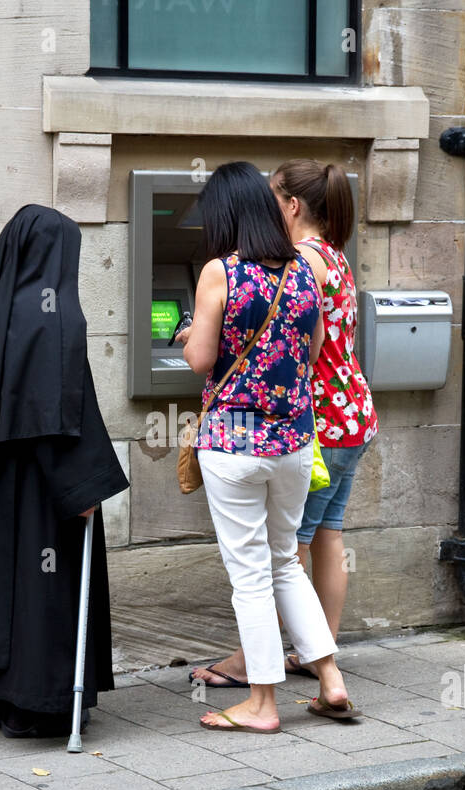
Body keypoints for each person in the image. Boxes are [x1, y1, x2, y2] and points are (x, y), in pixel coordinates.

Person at [0, 205, 129, 738]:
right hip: (39, 484)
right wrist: (84, 486)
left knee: (0, 586)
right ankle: (38, 704)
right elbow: (58, 418)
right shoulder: (53, 318)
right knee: (40, 589)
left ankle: (3, 696)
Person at [175, 162, 358, 731]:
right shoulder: (305, 273)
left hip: (234, 443)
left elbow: (201, 360)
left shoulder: (220, 272)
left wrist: (191, 340)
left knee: (251, 575)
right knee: (285, 563)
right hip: (296, 442)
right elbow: (312, 352)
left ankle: (261, 704)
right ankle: (331, 680)